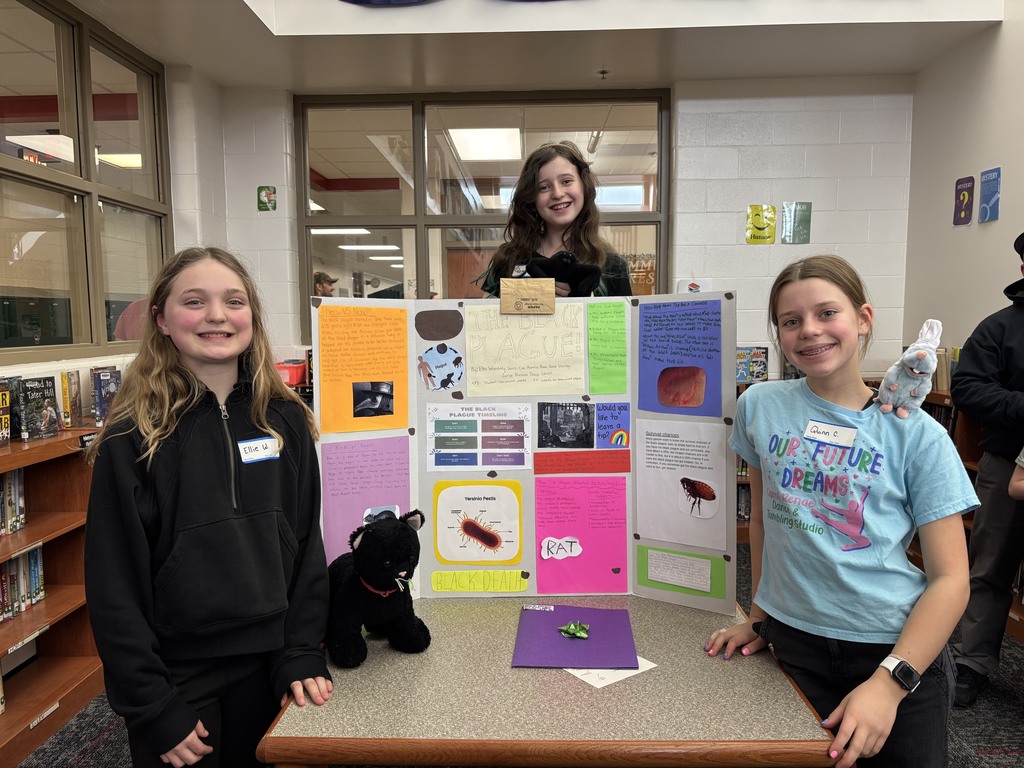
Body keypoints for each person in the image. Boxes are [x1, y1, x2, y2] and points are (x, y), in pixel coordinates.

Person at [705, 255, 976, 768]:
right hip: (792, 642)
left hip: (894, 651)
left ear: (864, 319)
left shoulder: (917, 434)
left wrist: (890, 682)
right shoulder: (760, 405)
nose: (809, 331)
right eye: (791, 321)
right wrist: (760, 617)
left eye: (827, 313)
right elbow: (764, 520)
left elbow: (952, 581)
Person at [84, 246, 333, 767]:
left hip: (269, 661)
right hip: (176, 671)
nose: (217, 315)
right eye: (194, 302)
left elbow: (307, 542)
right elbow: (113, 583)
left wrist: (301, 650)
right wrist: (150, 704)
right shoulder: (134, 434)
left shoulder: (285, 420)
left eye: (233, 301)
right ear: (162, 319)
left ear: (252, 318)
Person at [949, 230, 1024, 708]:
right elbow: (967, 388)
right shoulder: (1000, 327)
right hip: (1005, 466)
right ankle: (970, 662)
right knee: (990, 566)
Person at [478, 140, 632, 298]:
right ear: (532, 198)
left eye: (566, 181)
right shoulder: (509, 258)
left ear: (584, 186)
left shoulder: (612, 266)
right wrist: (530, 296)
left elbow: (624, 322)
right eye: (543, 187)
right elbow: (481, 317)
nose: (557, 194)